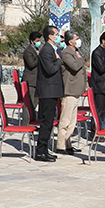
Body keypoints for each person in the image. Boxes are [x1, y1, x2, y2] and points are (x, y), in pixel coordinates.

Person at [33, 25, 61, 162]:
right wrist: (59, 60)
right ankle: (40, 152)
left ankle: (45, 149)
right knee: (46, 123)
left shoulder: (52, 49)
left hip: (52, 91)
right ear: (50, 36)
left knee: (49, 123)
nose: (58, 36)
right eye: (56, 34)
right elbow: (50, 69)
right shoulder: (46, 50)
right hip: (47, 91)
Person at [56, 29, 86, 156]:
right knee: (65, 120)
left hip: (76, 91)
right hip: (69, 91)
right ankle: (60, 145)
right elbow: (74, 66)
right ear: (70, 41)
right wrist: (80, 59)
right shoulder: (67, 53)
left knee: (72, 121)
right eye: (76, 38)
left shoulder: (76, 52)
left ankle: (68, 143)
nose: (78, 41)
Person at [22, 31, 42, 122]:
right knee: (29, 103)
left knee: (34, 103)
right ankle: (26, 123)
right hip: (30, 80)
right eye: (37, 40)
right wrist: (39, 57)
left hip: (36, 80)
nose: (39, 42)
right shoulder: (28, 51)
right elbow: (31, 64)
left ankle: (32, 121)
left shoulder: (36, 50)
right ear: (32, 41)